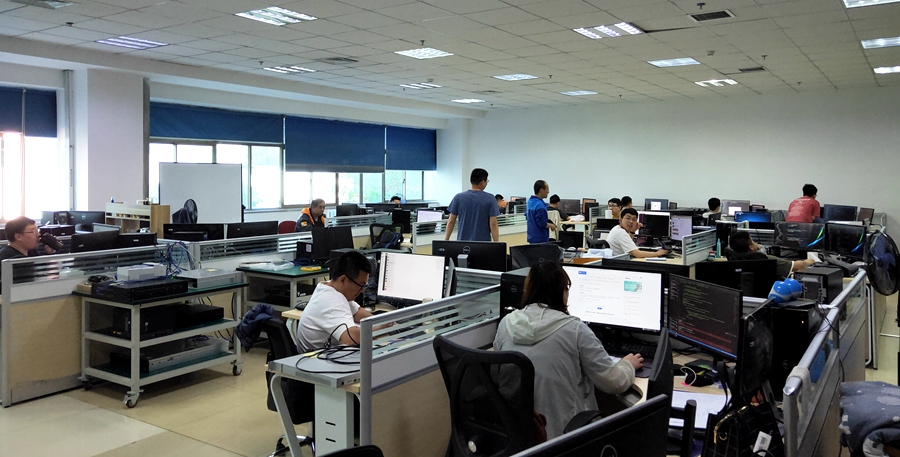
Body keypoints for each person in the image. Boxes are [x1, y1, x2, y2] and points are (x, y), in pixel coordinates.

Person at [494, 261, 642, 439]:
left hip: (519, 433)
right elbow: (613, 382)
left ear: (528, 289)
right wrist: (628, 365)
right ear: (563, 292)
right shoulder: (575, 329)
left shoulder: (506, 324)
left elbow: (497, 375)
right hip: (566, 435)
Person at [297, 250, 374, 351]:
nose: (362, 290)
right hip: (317, 358)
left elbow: (357, 312)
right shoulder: (331, 299)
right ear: (343, 279)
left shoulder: (328, 286)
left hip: (324, 354)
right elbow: (352, 338)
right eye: (360, 285)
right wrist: (383, 327)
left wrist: (381, 320)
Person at [727, 231, 814, 278]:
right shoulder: (765, 259)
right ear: (751, 247)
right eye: (753, 241)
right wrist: (811, 260)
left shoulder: (735, 260)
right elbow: (798, 266)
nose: (756, 243)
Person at [445, 168, 500, 242]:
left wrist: (446, 240)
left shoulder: (458, 197)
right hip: (483, 244)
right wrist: (496, 243)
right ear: (482, 182)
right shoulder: (490, 198)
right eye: (486, 181)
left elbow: (451, 221)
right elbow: (493, 223)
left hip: (463, 243)